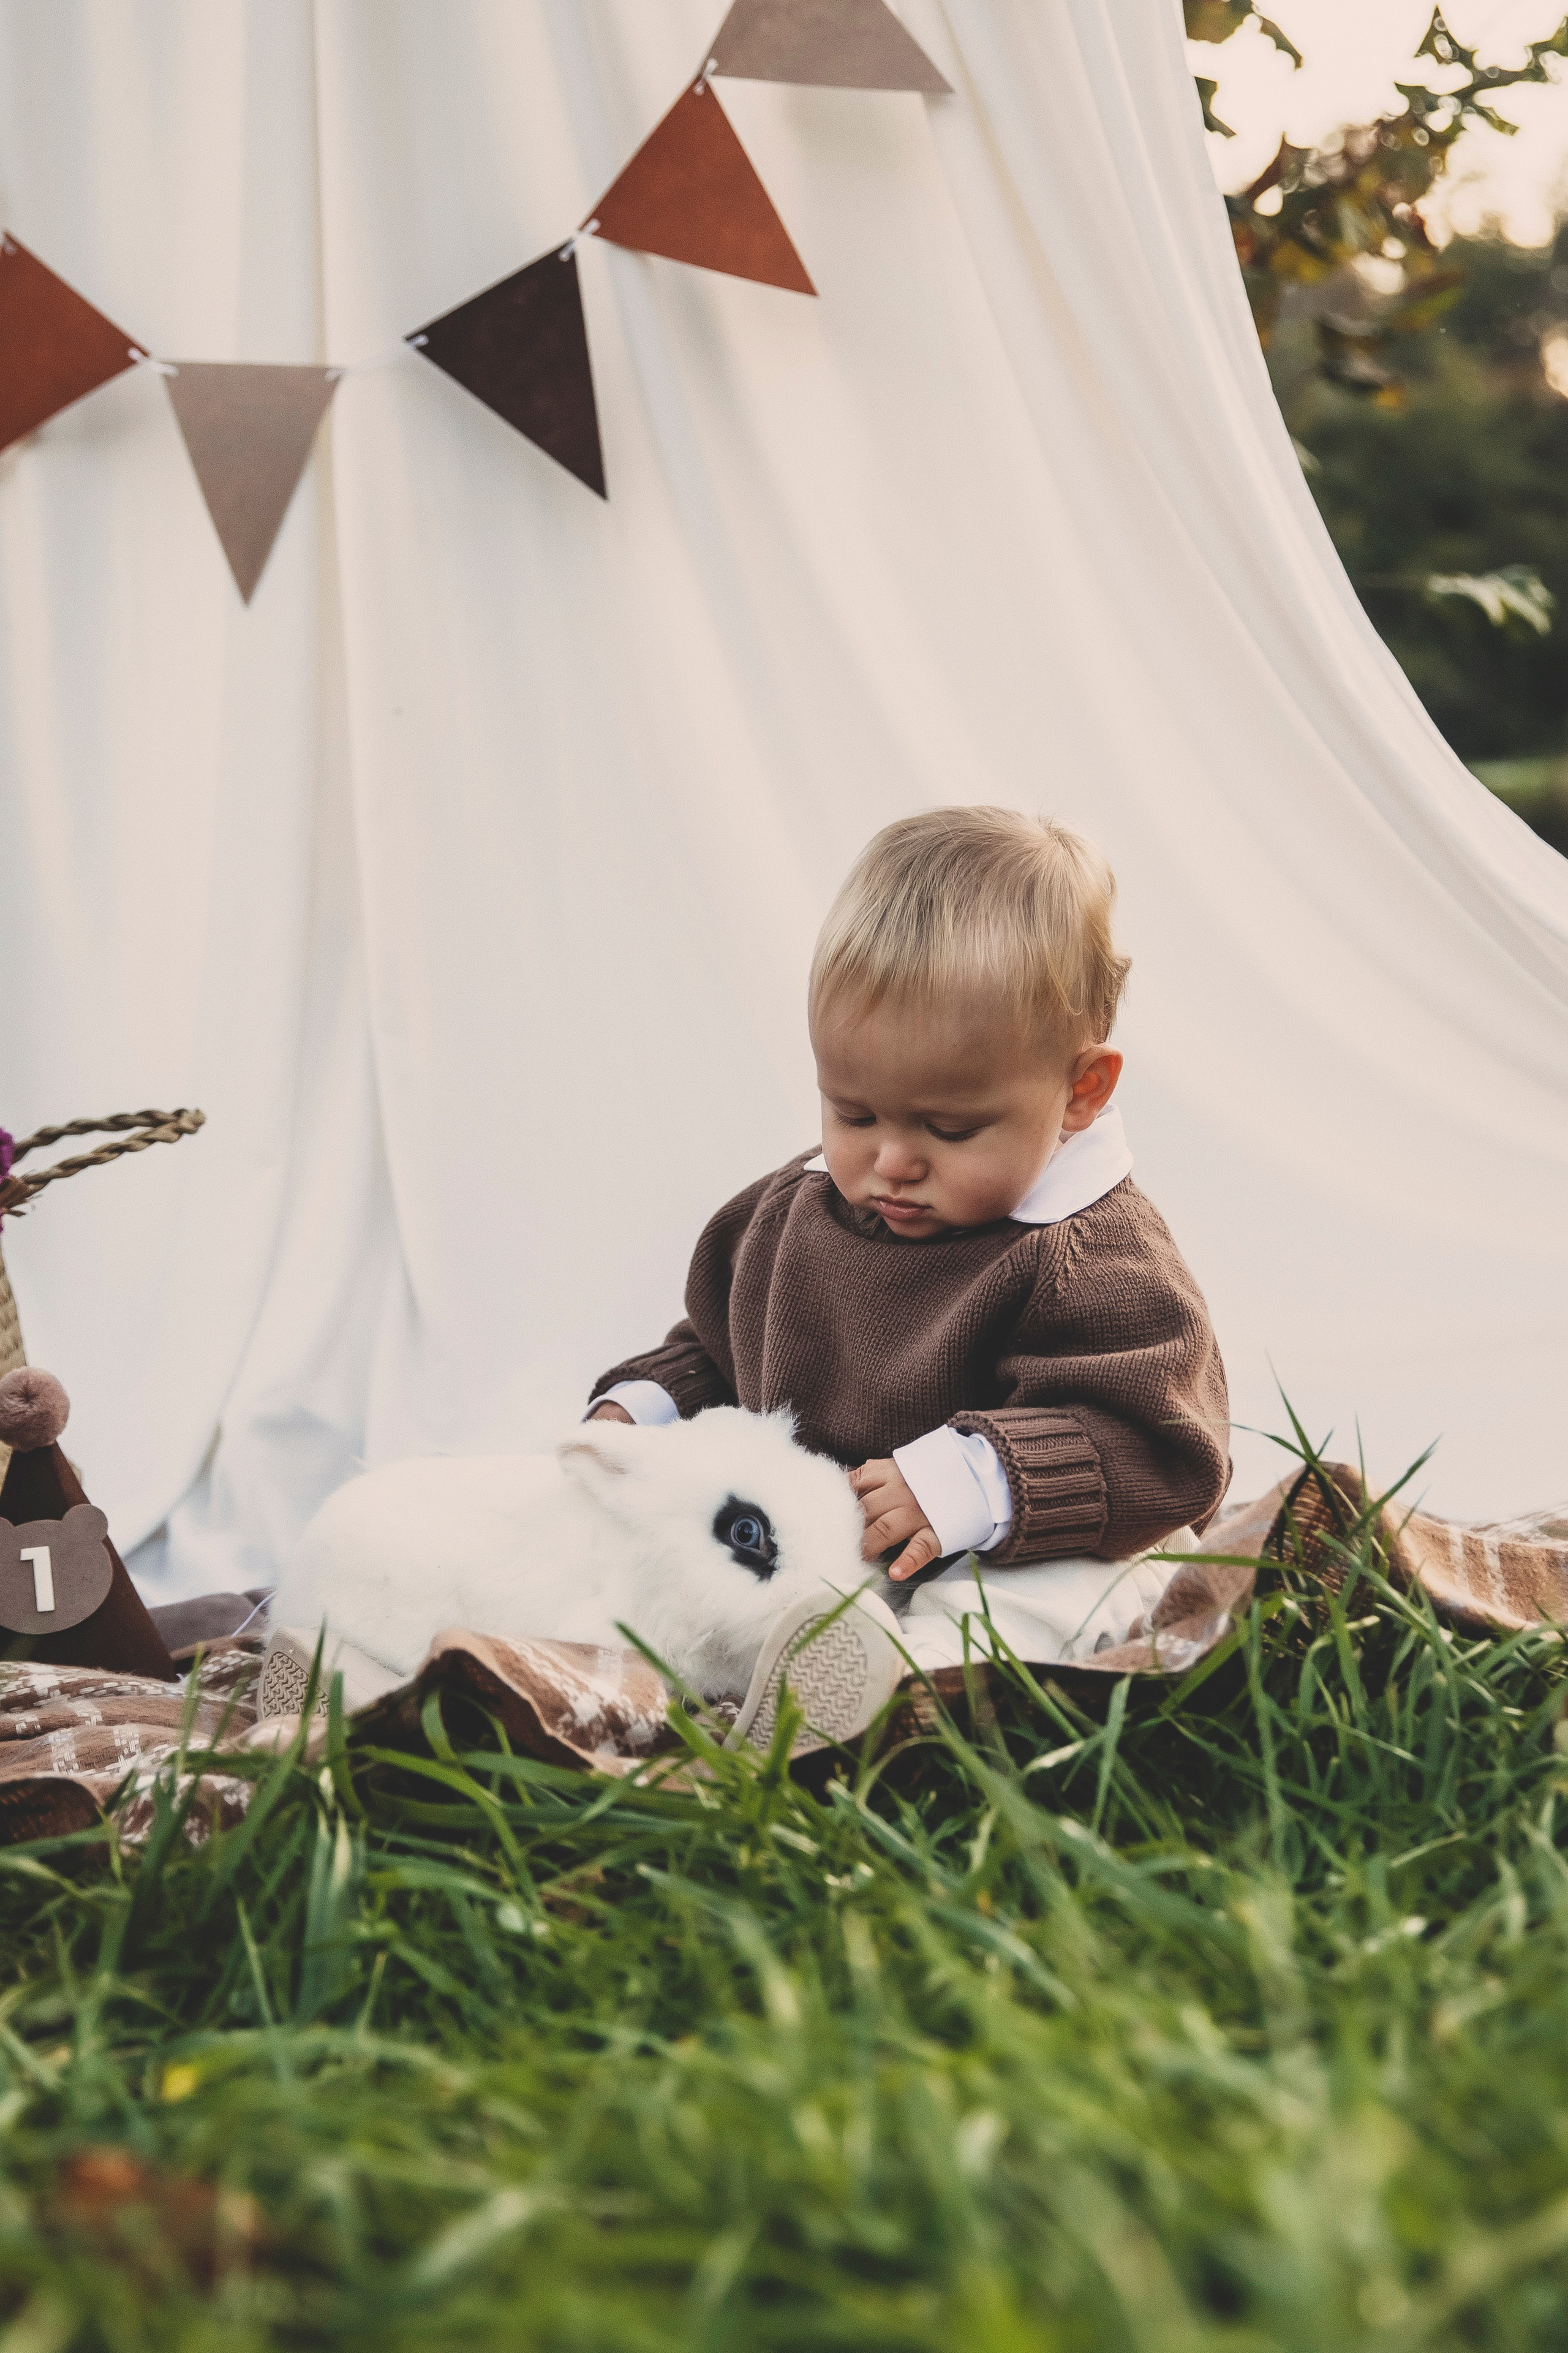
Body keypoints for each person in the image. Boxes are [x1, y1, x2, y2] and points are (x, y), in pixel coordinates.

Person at [587, 806, 1229, 1728]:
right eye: (854, 1114)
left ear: (1080, 1091)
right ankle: (609, 1659)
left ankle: (903, 1694)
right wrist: (647, 1406)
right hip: (838, 1555)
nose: (891, 1162)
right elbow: (723, 1343)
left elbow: (1167, 1448)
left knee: (1056, 1592)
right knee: (675, 1545)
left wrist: (978, 1481)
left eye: (950, 1129)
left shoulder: (1091, 1257)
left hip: (1027, 1543)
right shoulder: (798, 1211)